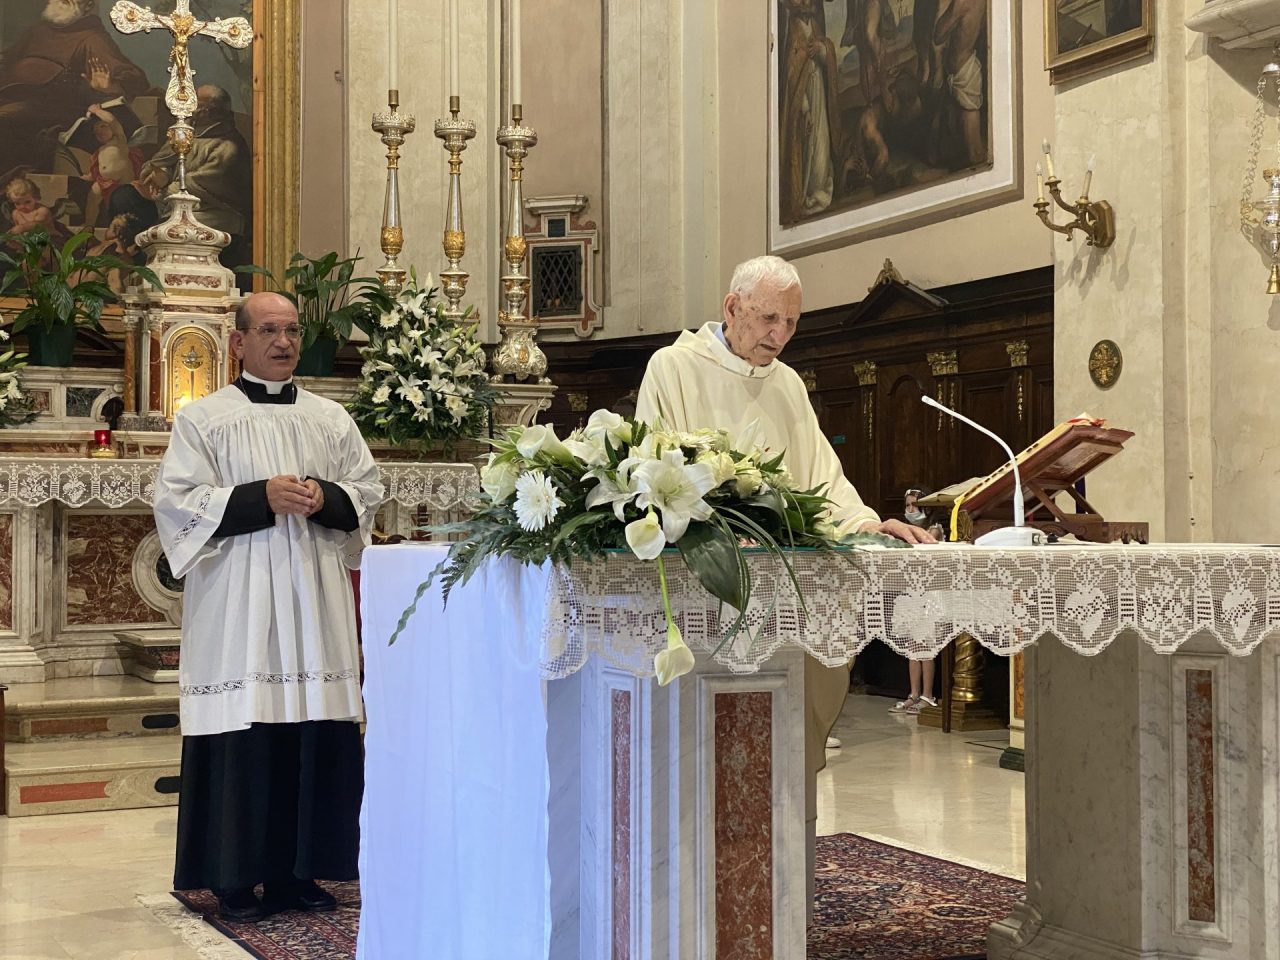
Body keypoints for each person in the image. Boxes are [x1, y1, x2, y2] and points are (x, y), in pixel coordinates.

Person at [635, 254, 934, 912]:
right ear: (732, 306)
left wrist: (868, 521)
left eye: (792, 322)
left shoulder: (789, 385)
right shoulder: (674, 368)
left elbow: (823, 480)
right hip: (710, 586)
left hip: (783, 585)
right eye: (768, 318)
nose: (779, 334)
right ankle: (691, 884)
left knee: (789, 738)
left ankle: (780, 878)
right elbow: (655, 468)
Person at [153, 292, 384, 923]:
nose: (283, 342)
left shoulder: (331, 418)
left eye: (291, 331)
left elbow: (367, 490)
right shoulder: (205, 418)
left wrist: (324, 496)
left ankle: (298, 873)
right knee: (245, 727)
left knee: (312, 727)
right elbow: (177, 501)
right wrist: (260, 496)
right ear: (238, 343)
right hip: (240, 601)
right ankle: (232, 877)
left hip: (313, 599)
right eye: (269, 331)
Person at [0, 0, 150, 171]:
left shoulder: (92, 38)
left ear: (87, 4)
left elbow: (134, 79)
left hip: (52, 110)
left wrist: (108, 86)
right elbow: (7, 61)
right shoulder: (37, 31)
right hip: (9, 96)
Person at [141, 85, 252, 268]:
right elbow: (163, 161)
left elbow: (206, 182)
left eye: (195, 103)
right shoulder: (187, 134)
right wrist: (161, 173)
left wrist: (167, 187)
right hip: (175, 209)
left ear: (209, 111)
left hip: (213, 215)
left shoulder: (229, 146)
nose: (189, 108)